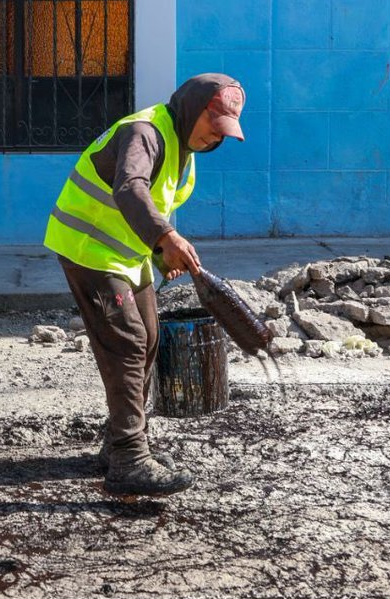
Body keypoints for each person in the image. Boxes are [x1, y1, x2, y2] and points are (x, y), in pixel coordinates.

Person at [43, 73, 246, 497]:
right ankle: (129, 458)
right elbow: (130, 188)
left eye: (224, 131)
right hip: (89, 247)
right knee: (128, 341)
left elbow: (154, 202)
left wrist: (157, 253)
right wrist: (166, 238)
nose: (216, 137)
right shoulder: (145, 133)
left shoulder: (183, 147)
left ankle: (120, 442)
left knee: (149, 337)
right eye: (214, 125)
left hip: (126, 255)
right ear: (192, 110)